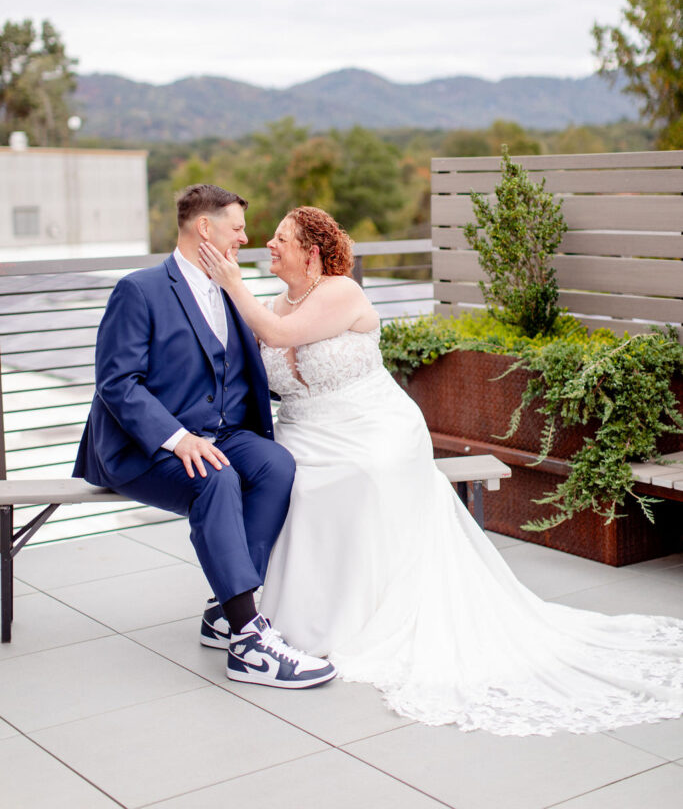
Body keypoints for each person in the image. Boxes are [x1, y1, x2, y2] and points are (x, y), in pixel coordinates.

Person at [197, 204, 683, 735]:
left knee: (358, 478)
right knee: (292, 482)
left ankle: (351, 618)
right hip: (307, 433)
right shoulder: (272, 299)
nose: (270, 244)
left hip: (371, 428)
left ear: (311, 253)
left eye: (281, 238)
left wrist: (229, 280)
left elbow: (279, 335)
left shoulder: (341, 292)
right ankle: (289, 619)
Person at [74, 185, 336, 690]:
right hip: (142, 447)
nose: (244, 237)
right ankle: (248, 643)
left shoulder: (231, 290)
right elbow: (116, 383)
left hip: (221, 433)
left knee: (275, 464)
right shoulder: (140, 289)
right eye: (236, 227)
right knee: (215, 477)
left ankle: (224, 609)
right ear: (204, 228)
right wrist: (176, 438)